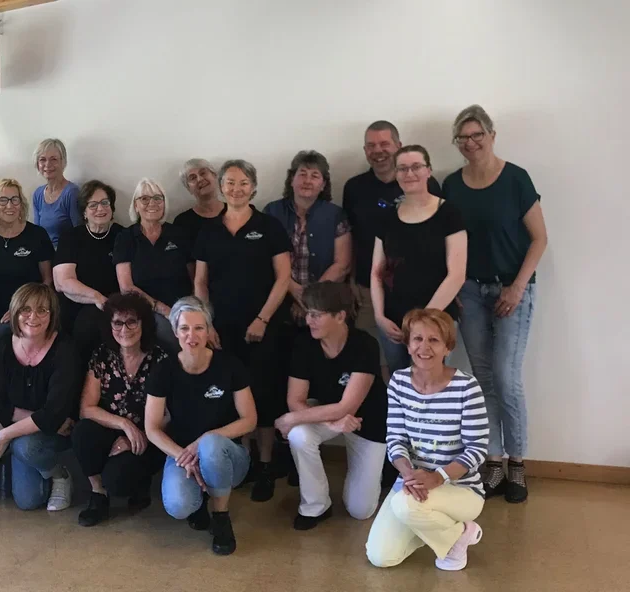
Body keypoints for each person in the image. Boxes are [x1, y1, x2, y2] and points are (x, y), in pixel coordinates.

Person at [443, 105, 548, 503]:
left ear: (491, 135)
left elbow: (539, 238)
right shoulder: (451, 185)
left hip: (512, 290)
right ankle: (493, 460)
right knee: (482, 378)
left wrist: (518, 287)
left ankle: (518, 464)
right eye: (463, 138)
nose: (470, 143)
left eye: (476, 135)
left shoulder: (516, 179)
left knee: (506, 377)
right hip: (469, 290)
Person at [195, 160, 290, 502]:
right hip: (223, 330)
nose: (236, 188)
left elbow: (283, 278)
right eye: (230, 182)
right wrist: (206, 325)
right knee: (234, 396)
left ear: (253, 187)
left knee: (264, 394)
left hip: (264, 327)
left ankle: (265, 465)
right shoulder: (209, 232)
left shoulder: (269, 226)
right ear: (221, 187)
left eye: (243, 182)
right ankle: (244, 461)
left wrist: (263, 319)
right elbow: (201, 282)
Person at [365, 309, 489, 571]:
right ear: (408, 345)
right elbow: (395, 437)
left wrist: (438, 477)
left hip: (461, 488)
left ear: (447, 347)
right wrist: (409, 474)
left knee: (405, 506)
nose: (424, 347)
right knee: (381, 557)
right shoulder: (399, 382)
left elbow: (477, 449)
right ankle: (448, 532)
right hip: (412, 484)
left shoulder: (467, 387)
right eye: (417, 339)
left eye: (433, 340)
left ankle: (449, 531)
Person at [144, 297, 256, 556]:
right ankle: (200, 500)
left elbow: (249, 419)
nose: (191, 336)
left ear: (209, 330)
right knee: (178, 505)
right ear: (175, 331)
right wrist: (183, 457)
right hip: (182, 454)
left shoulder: (230, 365)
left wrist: (205, 440)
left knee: (211, 445)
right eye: (184, 328)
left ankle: (221, 516)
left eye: (198, 328)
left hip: (227, 456)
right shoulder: (163, 370)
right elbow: (151, 428)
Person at [274, 282, 387, 530]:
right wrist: (328, 422)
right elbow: (295, 399)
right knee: (299, 435)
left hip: (367, 421)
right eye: (308, 313)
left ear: (340, 316)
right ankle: (315, 506)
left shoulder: (365, 345)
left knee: (361, 510)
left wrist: (291, 418)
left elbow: (348, 406)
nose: (309, 320)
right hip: (330, 414)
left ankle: (381, 467)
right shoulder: (304, 344)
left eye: (317, 315)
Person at [71, 292, 168, 526]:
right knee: (83, 432)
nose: (124, 329)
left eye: (132, 321)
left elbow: (168, 414)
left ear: (144, 323)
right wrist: (124, 425)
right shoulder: (102, 356)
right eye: (117, 322)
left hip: (150, 434)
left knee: (119, 480)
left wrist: (138, 435)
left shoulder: (160, 359)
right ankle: (98, 495)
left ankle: (140, 484)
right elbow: (87, 408)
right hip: (111, 427)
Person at [0, 283, 81, 511]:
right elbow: (0, 404)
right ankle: (42, 466)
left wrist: (3, 436)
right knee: (28, 501)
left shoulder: (65, 350)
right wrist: (42, 420)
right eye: (25, 310)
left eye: (42, 310)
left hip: (58, 431)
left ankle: (61, 475)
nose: (33, 317)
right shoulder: (1, 346)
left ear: (52, 314)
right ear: (14, 313)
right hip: (34, 427)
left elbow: (56, 413)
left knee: (25, 447)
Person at [370, 145, 467, 372]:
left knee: (433, 388)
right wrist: (379, 316)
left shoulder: (448, 213)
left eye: (416, 167)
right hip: (393, 323)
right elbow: (376, 271)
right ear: (395, 173)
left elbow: (457, 274)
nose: (409, 174)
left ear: (429, 171)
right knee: (399, 386)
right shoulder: (386, 218)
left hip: (436, 320)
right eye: (402, 168)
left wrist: (421, 323)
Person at [343, 121, 442, 335]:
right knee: (372, 358)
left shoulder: (426, 184)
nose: (378, 151)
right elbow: (351, 237)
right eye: (371, 145)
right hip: (367, 291)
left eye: (384, 144)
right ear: (365, 150)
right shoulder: (354, 188)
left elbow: (440, 239)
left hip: (419, 291)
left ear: (398, 145)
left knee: (420, 359)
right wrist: (350, 280)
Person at [264, 150, 352, 324]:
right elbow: (264, 258)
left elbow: (342, 265)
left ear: (323, 184)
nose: (307, 181)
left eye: (314, 176)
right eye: (302, 174)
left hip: (325, 302)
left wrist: (310, 298)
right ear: (292, 179)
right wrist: (294, 291)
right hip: (280, 299)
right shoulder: (272, 212)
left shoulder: (336, 215)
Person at [0, 179, 54, 343]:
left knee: (1, 338)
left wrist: (23, 309)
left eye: (15, 199)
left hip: (25, 309)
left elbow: (47, 281)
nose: (10, 206)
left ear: (21, 204)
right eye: (3, 200)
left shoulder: (37, 235)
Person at [114, 178, 193, 352]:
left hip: (181, 306)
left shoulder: (178, 234)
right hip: (145, 309)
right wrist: (164, 310)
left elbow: (194, 278)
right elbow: (126, 287)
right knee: (174, 336)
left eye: (158, 198)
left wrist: (192, 311)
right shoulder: (126, 238)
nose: (152, 203)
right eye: (144, 199)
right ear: (136, 205)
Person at [53, 180, 124, 360]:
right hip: (74, 304)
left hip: (113, 305)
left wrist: (106, 303)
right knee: (85, 322)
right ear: (84, 212)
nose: (100, 209)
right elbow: (63, 282)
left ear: (112, 208)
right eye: (92, 205)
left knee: (91, 322)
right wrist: (97, 298)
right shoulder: (71, 237)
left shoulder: (123, 236)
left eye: (105, 203)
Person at [31, 138, 80, 246]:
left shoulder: (71, 193)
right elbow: (37, 234)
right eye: (42, 159)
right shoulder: (38, 194)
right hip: (44, 254)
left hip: (65, 255)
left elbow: (79, 233)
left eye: (54, 159)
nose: (47, 164)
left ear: (63, 162)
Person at [173, 158, 225, 244]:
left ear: (215, 176)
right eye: (192, 178)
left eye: (203, 173)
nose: (199, 179)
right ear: (188, 188)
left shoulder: (238, 212)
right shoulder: (182, 223)